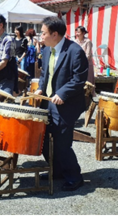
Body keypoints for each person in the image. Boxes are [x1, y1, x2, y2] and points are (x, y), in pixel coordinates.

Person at [33, 16, 88, 191]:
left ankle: (74, 177)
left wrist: (62, 93)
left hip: (67, 104)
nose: (40, 36)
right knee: (46, 140)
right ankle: (56, 170)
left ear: (55, 34)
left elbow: (79, 78)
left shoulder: (75, 51)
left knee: (62, 143)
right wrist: (41, 88)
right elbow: (45, 75)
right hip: (48, 102)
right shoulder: (48, 50)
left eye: (43, 33)